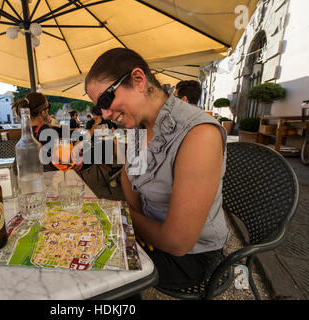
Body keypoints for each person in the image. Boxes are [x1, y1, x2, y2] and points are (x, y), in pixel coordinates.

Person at [84, 48, 229, 291]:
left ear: (138, 80)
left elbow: (178, 242)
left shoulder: (198, 134)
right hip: (151, 234)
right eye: (100, 109)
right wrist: (133, 223)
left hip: (191, 257)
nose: (106, 114)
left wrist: (122, 220)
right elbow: (129, 177)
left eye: (106, 101)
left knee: (100, 276)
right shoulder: (139, 126)